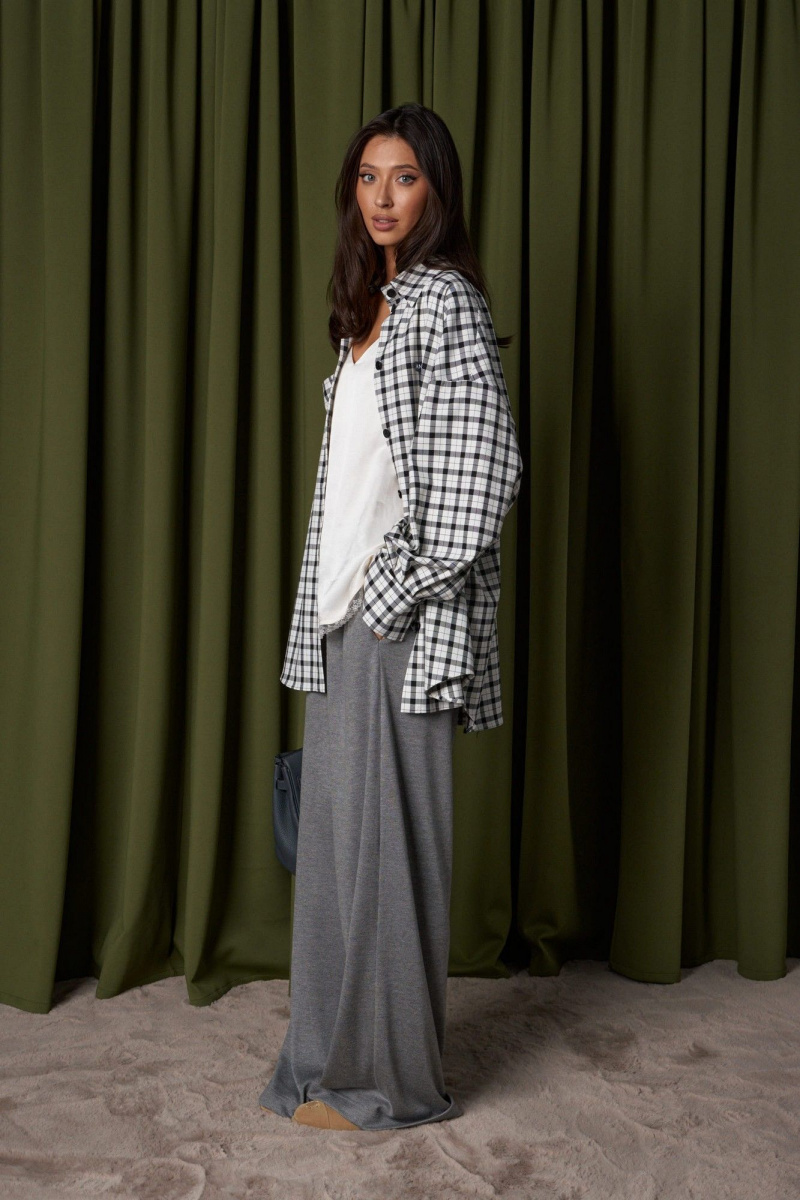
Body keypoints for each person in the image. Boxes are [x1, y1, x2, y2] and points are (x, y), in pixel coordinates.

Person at [259, 102, 523, 1132]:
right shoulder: (369, 310)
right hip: (338, 623)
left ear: (436, 191)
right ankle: (325, 1062)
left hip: (394, 625)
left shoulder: (442, 301)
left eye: (404, 177)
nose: (382, 197)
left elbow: (483, 471)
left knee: (389, 862)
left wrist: (388, 593)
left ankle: (389, 1086)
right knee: (335, 860)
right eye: (368, 177)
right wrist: (341, 606)